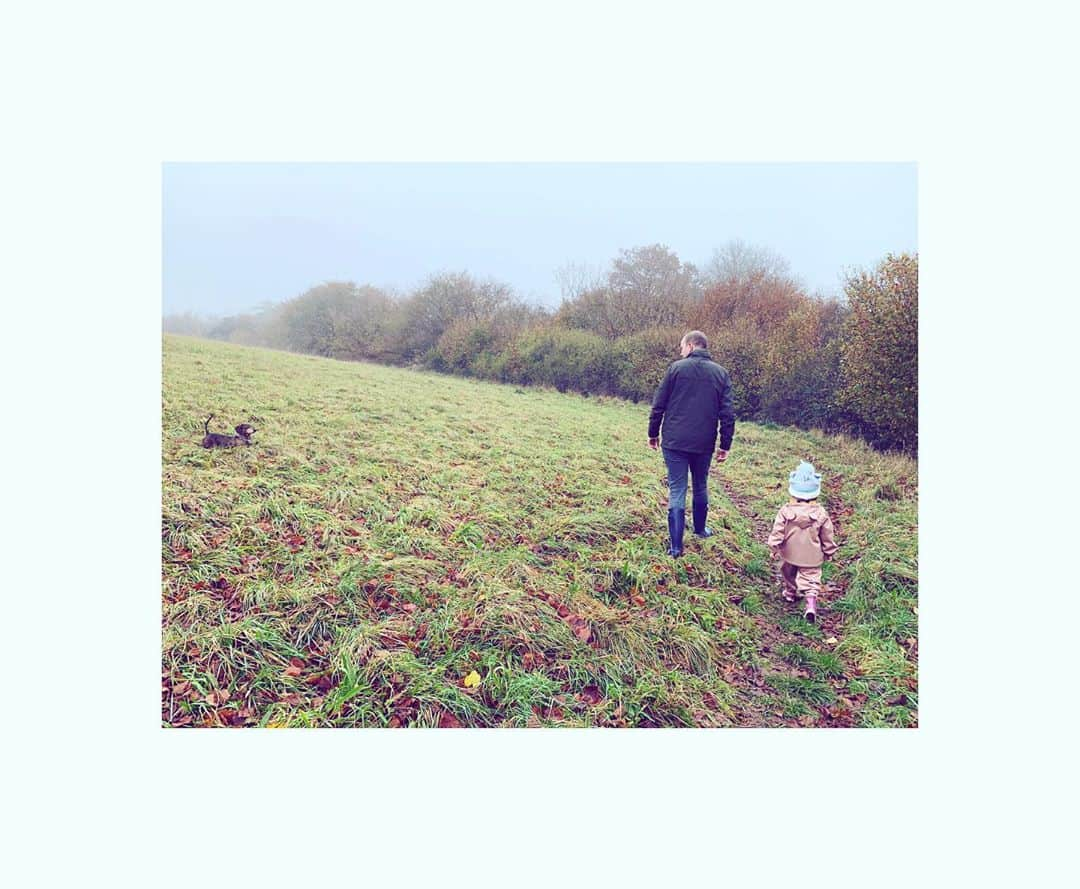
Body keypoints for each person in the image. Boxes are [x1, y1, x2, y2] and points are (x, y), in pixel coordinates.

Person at [648, 330, 735, 557]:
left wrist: (653, 432)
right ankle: (700, 530)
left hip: (674, 441)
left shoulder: (675, 369)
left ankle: (676, 547)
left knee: (677, 488)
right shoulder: (721, 374)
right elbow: (728, 414)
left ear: (690, 346)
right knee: (700, 484)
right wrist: (725, 444)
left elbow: (659, 404)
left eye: (681, 347)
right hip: (704, 442)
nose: (680, 351)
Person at [767, 461, 839, 622]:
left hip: (790, 553)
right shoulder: (821, 513)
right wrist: (829, 551)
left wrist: (774, 547)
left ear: (793, 492)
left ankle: (791, 593)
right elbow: (827, 535)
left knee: (788, 571)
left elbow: (778, 531)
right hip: (812, 555)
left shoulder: (785, 511)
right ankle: (811, 604)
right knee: (811, 578)